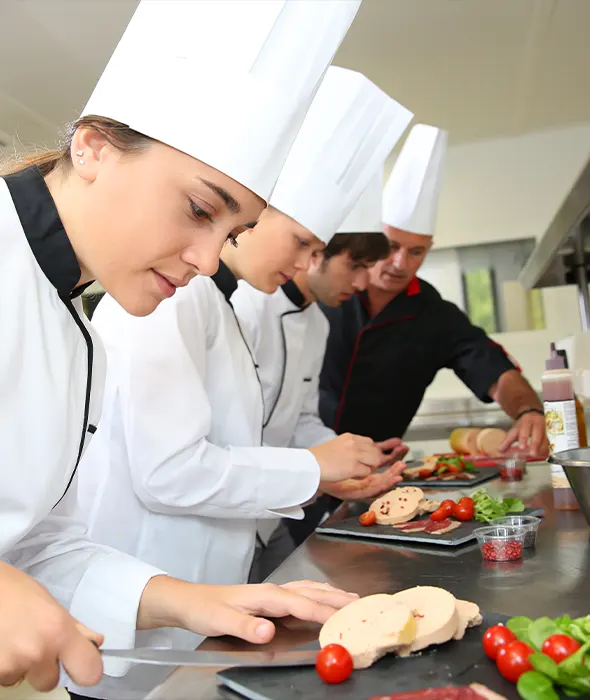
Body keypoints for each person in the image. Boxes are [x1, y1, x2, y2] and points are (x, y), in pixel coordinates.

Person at [0, 0, 363, 693]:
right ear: (94, 147)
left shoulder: (81, 339)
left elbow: (39, 543)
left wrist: (197, 599)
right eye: (200, 209)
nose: (206, 259)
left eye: (229, 233)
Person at [74, 65, 407, 697]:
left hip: (208, 596)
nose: (306, 264)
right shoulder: (169, 299)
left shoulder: (211, 303)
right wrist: (314, 469)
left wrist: (329, 463)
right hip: (146, 599)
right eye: (302, 243)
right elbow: (169, 471)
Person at [320, 122, 548, 454]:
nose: (400, 263)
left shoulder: (435, 315)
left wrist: (529, 410)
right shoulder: (328, 290)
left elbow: (496, 371)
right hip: (299, 463)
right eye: (391, 245)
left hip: (374, 471)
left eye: (416, 252)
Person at [232, 171, 411, 576]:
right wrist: (318, 469)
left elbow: (302, 420)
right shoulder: (246, 305)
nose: (364, 282)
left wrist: (352, 457)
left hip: (269, 516)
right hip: (231, 509)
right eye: (356, 265)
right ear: (316, 255)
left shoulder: (318, 325)